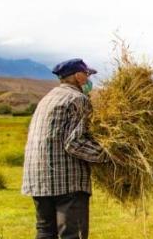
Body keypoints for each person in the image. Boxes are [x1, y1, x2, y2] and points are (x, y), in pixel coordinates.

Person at [21, 58, 108, 239]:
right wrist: (108, 154)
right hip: (66, 181)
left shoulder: (47, 98)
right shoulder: (78, 99)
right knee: (71, 234)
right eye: (87, 74)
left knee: (45, 232)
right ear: (77, 76)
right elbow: (74, 143)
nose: (89, 79)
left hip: (38, 180)